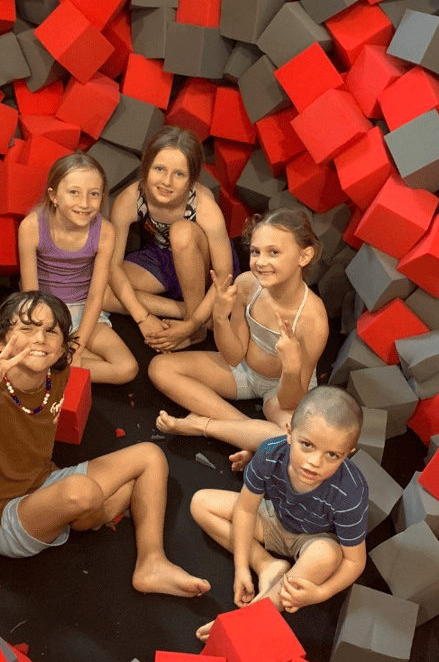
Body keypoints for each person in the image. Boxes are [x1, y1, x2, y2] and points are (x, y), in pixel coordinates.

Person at [0, 289, 210, 600]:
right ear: (0, 341)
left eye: (51, 331)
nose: (40, 338)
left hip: (46, 482)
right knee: (84, 493)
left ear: (63, 346)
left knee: (151, 455)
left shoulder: (57, 373)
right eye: (27, 329)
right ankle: (88, 515)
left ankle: (151, 562)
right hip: (3, 518)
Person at [190, 387, 368, 639]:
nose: (315, 462)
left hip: (312, 539)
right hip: (273, 518)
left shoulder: (350, 491)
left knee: (326, 555)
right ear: (289, 433)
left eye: (332, 455)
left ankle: (255, 615)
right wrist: (242, 567)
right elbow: (245, 509)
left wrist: (320, 593)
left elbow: (354, 562)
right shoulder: (269, 453)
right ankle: (266, 565)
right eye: (307, 445)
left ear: (347, 454)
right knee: (200, 503)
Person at [150, 207, 328, 434]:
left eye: (273, 252)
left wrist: (292, 367)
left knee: (293, 436)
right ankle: (243, 430)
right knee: (160, 368)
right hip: (243, 370)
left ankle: (207, 426)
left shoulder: (313, 320)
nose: (261, 262)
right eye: (255, 252)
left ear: (304, 256)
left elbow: (290, 402)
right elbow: (233, 356)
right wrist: (220, 318)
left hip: (281, 390)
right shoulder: (246, 284)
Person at [104, 126, 237, 355]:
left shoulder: (204, 205)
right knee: (102, 290)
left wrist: (193, 324)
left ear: (192, 179)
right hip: (164, 257)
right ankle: (187, 311)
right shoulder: (130, 199)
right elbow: (113, 266)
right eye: (159, 169)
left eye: (179, 174)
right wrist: (143, 317)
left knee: (181, 232)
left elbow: (224, 276)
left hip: (205, 265)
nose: (167, 181)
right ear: (146, 166)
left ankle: (196, 328)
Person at [17, 152, 137, 386]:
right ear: (54, 196)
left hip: (84, 309)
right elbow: (31, 295)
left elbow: (96, 296)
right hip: (42, 308)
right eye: (74, 192)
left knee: (127, 369)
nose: (84, 203)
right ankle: (57, 361)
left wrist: (77, 347)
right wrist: (45, 332)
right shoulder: (32, 226)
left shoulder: (105, 231)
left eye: (94, 194)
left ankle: (48, 364)